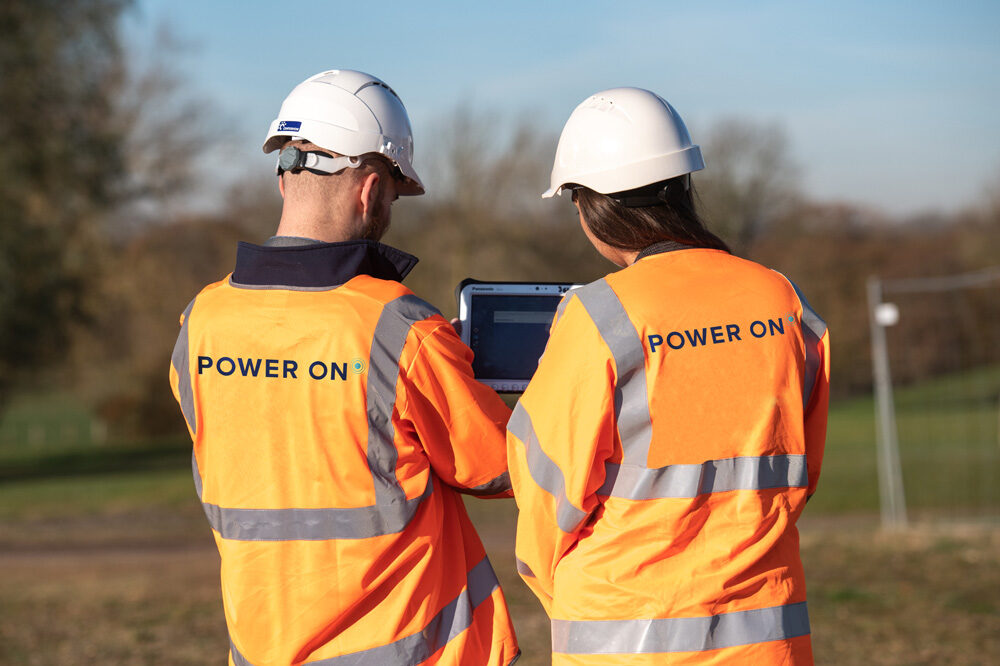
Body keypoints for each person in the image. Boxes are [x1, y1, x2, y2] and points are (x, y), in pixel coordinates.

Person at [168, 69, 519, 666]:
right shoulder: (400, 329)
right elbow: (497, 467)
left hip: (262, 651)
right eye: (393, 195)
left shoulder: (200, 320)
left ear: (286, 181)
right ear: (370, 191)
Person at [507, 87, 830, 664]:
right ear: (683, 186)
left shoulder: (597, 315)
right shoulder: (782, 298)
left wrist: (554, 587)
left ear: (588, 203)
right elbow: (799, 468)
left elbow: (547, 493)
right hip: (767, 639)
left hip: (619, 637)